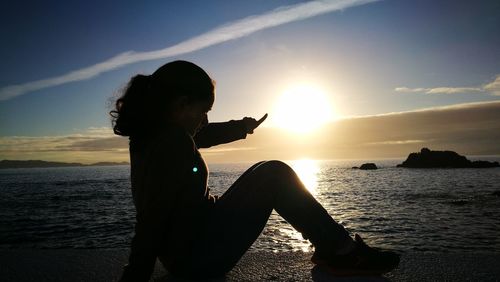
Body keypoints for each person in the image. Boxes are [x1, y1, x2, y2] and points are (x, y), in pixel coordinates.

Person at [111, 60, 399, 281]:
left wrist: (242, 127)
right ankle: (342, 252)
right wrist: (135, 275)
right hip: (197, 259)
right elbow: (152, 217)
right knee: (274, 173)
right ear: (181, 104)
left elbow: (203, 135)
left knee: (268, 169)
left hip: (192, 246)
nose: (205, 119)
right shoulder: (171, 142)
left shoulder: (157, 135)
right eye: (203, 111)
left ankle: (335, 247)